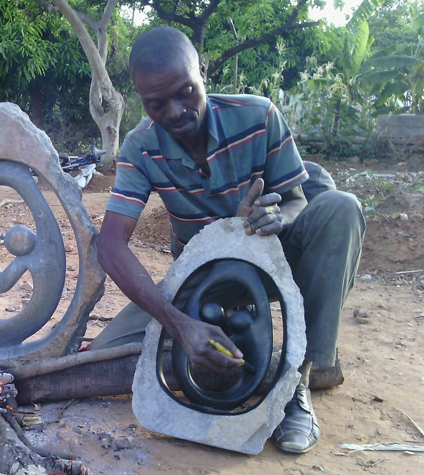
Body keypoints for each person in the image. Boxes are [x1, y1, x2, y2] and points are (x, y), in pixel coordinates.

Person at [89, 27, 365, 454]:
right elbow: (110, 244)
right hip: (203, 281)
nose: (176, 112)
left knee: (341, 208)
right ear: (141, 99)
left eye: (185, 92)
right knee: (103, 359)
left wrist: (278, 215)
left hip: (272, 263)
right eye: (156, 103)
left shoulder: (258, 116)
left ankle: (297, 383)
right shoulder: (141, 147)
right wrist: (179, 325)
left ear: (202, 71)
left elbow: (297, 201)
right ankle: (236, 351)